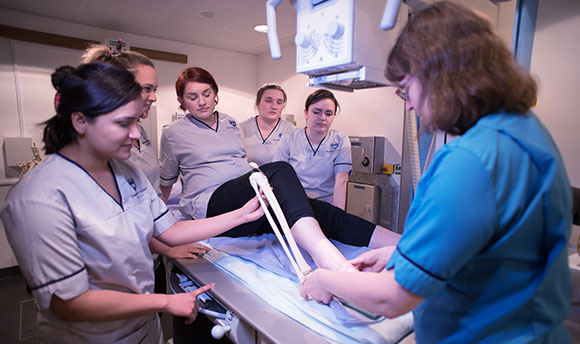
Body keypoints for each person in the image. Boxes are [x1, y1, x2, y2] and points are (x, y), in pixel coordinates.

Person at [299, 2, 573, 343]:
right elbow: (486, 241)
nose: (409, 104)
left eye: (406, 88)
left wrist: (324, 278)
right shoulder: (523, 129)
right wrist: (404, 252)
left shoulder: (470, 160)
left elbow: (390, 297)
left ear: (439, 75)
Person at [0, 63, 266, 343]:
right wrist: (164, 303)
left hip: (144, 329)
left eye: (135, 122)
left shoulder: (127, 173)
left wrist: (241, 215)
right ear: (80, 121)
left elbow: (170, 232)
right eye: (123, 123)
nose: (137, 134)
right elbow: (69, 303)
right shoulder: (38, 198)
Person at [159, 67, 398, 273]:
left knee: (317, 209)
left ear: (215, 95)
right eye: (192, 97)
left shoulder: (230, 123)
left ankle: (401, 244)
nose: (201, 101)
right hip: (211, 205)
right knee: (279, 170)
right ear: (181, 101)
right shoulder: (173, 133)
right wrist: (161, 230)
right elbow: (166, 183)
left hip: (247, 199)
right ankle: (325, 257)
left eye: (206, 94)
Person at [81, 43, 209, 284]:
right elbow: (127, 215)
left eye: (155, 89)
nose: (154, 97)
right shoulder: (101, 147)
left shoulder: (139, 129)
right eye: (147, 89)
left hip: (150, 253)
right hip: (121, 267)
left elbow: (150, 199)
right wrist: (167, 248)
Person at [275, 89, 351, 209]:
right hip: (295, 203)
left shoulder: (340, 140)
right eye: (316, 112)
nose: (323, 118)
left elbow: (341, 181)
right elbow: (280, 178)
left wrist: (337, 216)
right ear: (306, 113)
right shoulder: (289, 138)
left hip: (327, 205)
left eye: (329, 113)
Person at [239, 83, 295, 166]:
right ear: (258, 103)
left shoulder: (291, 131)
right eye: (268, 101)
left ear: (283, 106)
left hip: (278, 177)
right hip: (249, 177)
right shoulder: (242, 129)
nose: (274, 106)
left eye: (279, 102)